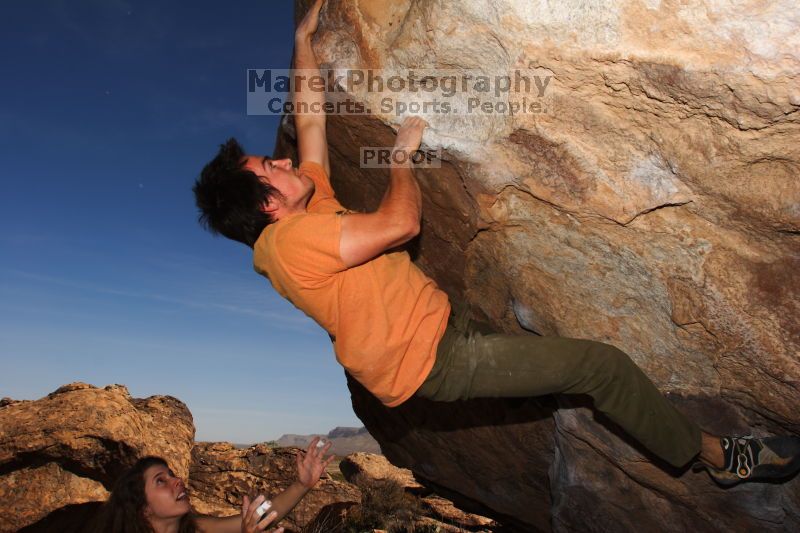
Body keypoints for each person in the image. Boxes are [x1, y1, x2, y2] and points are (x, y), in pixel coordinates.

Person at [192, 0, 800, 487]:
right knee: (600, 366)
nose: (279, 159)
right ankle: (721, 459)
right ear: (269, 205)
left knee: (566, 368)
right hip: (435, 360)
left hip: (444, 328)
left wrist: (302, 43)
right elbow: (400, 225)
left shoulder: (308, 205)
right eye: (266, 167)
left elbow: (311, 121)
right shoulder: (287, 245)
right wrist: (402, 160)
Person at [90, 437, 333, 533]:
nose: (177, 480)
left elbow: (261, 515)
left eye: (172, 474)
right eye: (160, 481)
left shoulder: (198, 527)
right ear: (143, 508)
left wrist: (302, 485)